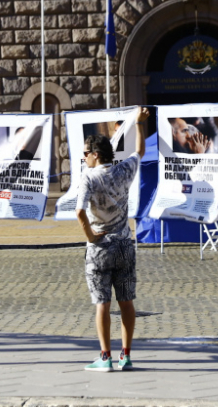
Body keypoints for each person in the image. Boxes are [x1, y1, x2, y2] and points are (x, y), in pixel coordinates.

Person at [75, 106, 148, 372]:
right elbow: (139, 152)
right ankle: (125, 354)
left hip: (100, 246)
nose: (83, 158)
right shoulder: (123, 170)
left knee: (102, 303)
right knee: (127, 301)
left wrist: (91, 236)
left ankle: (105, 357)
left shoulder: (89, 177)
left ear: (95, 154)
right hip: (124, 243)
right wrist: (139, 123)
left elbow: (80, 211)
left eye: (85, 153)